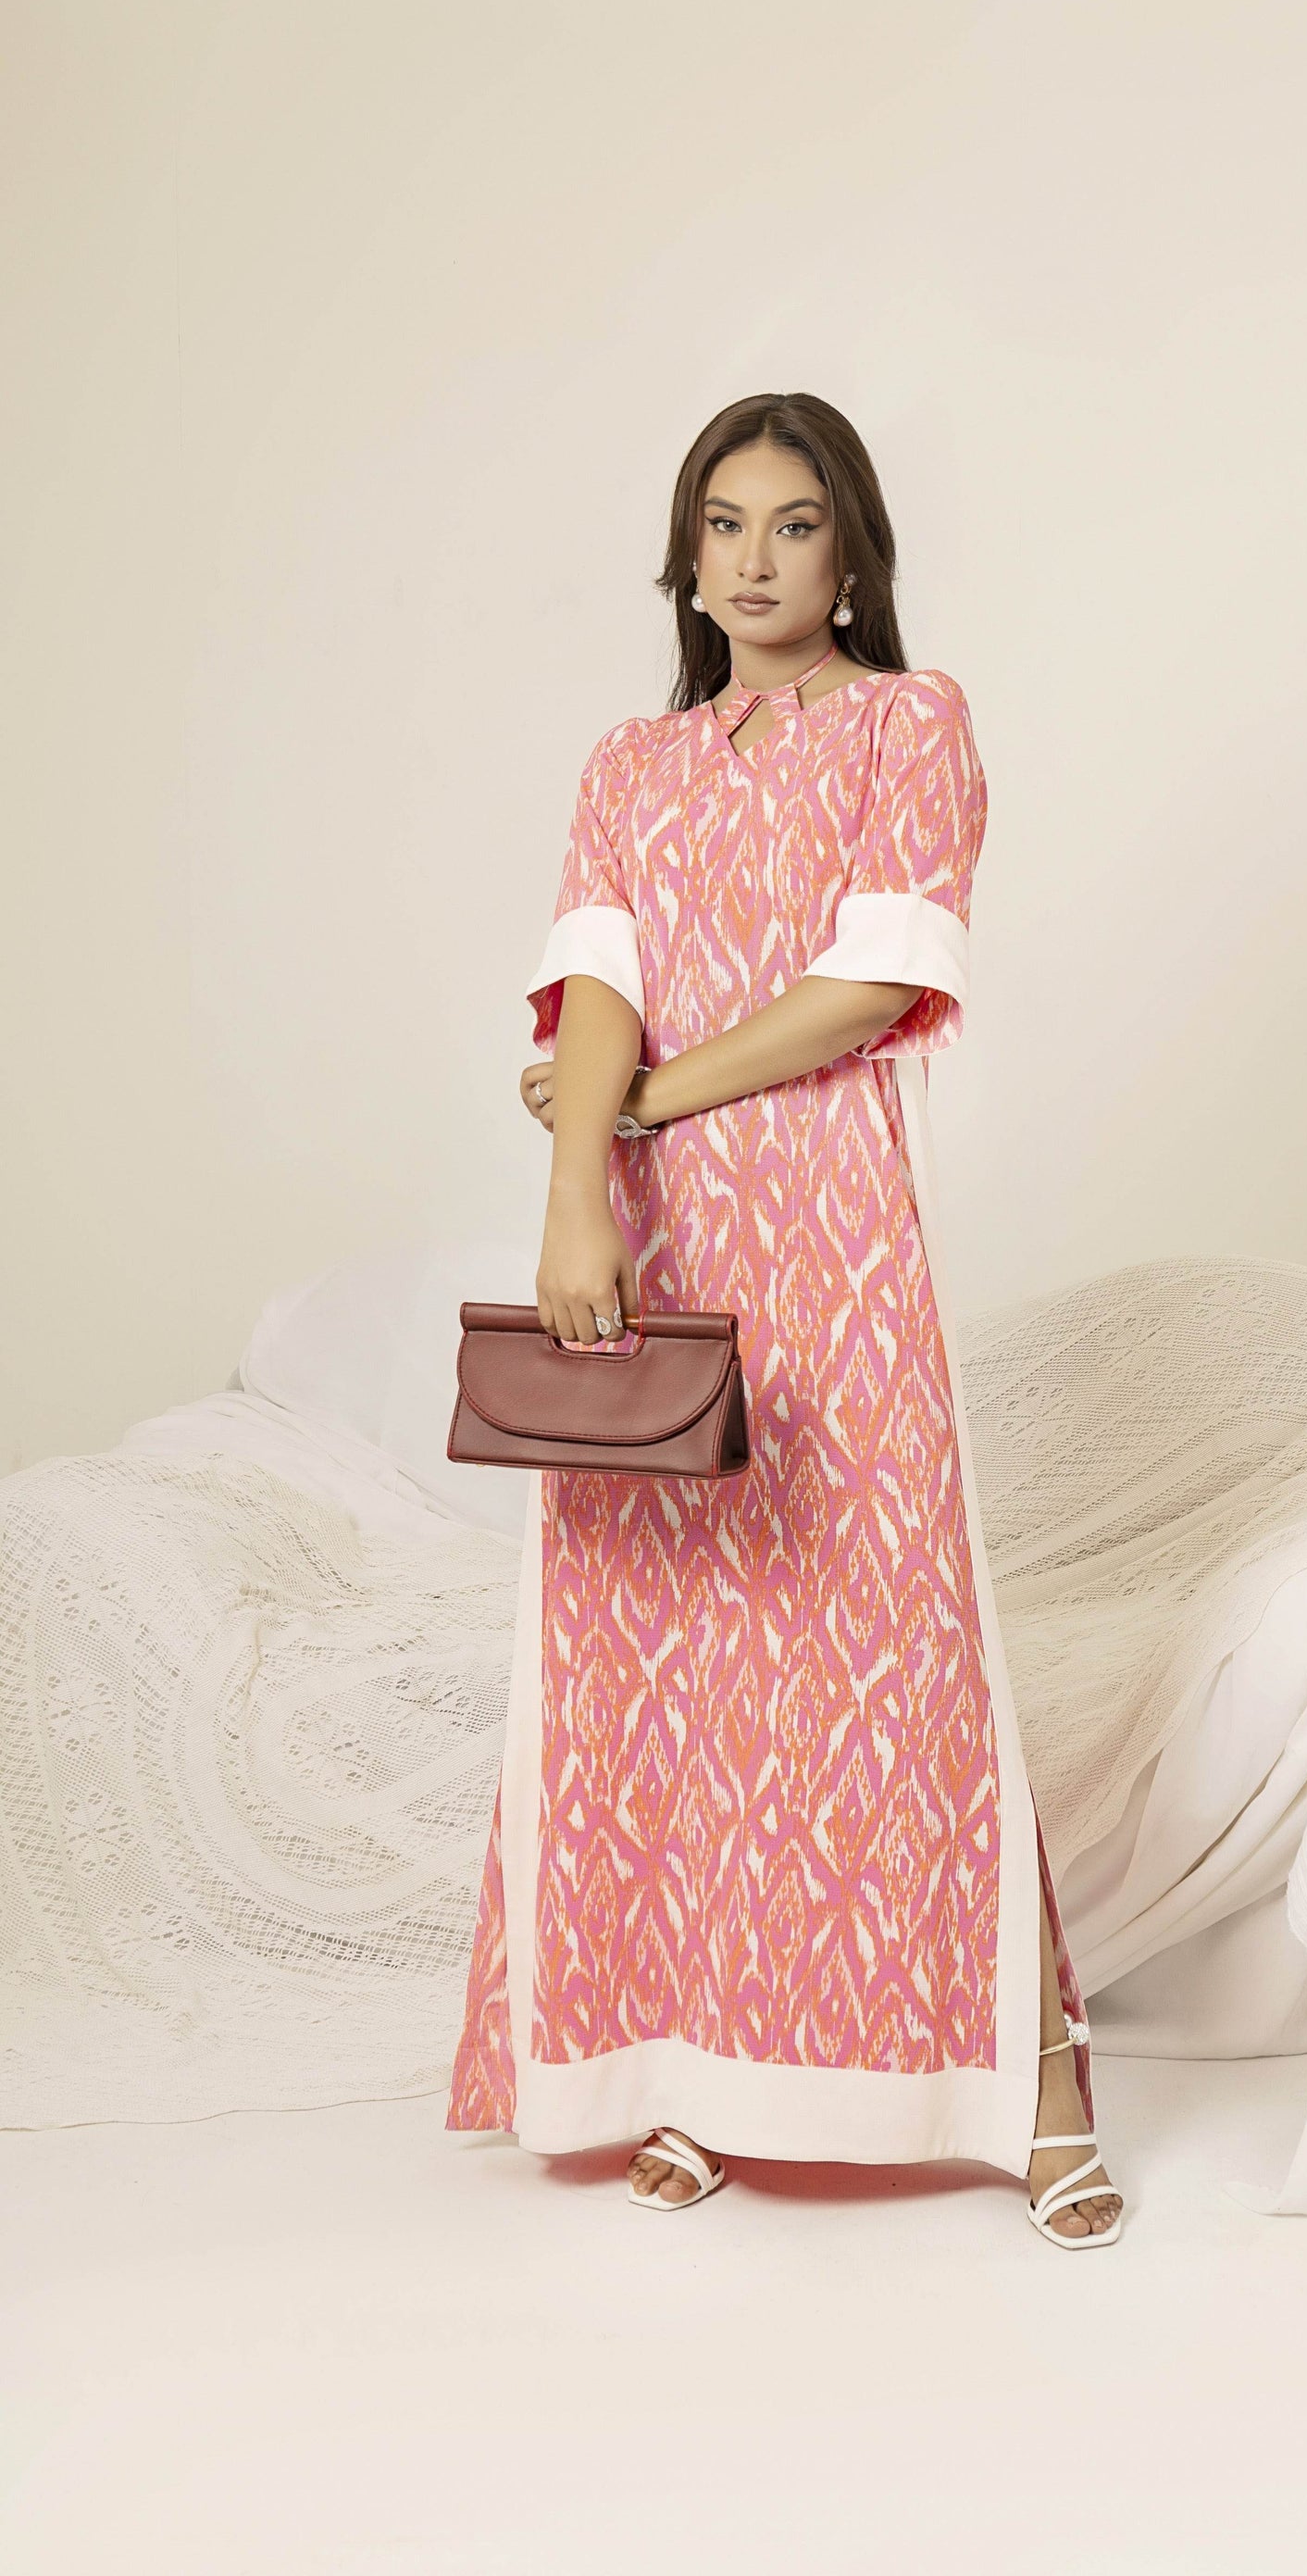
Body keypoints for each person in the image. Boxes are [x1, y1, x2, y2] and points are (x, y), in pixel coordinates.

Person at [447, 392, 1123, 2249]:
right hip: (659, 1242)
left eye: (795, 524)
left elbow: (873, 985)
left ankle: (1039, 2084)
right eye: (725, 524)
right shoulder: (633, 763)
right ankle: (703, 2072)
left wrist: (648, 1102)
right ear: (688, 555)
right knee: (682, 1664)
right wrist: (579, 1192)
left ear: (851, 554)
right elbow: (595, 986)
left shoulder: (910, 723)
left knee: (898, 1648)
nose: (754, 560)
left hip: (836, 1234)